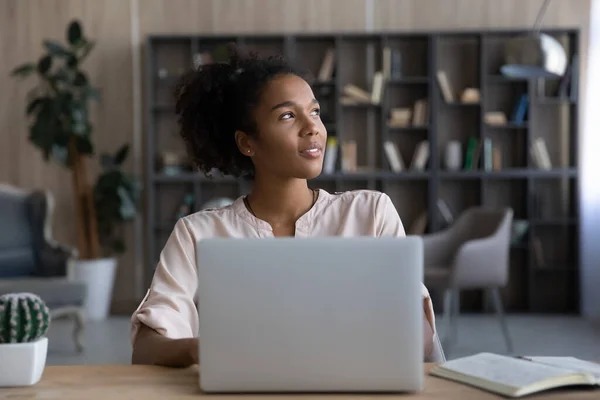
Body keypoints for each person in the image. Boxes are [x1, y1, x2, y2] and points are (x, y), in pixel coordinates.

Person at [131, 45, 442, 367]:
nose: (312, 127)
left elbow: (420, 338)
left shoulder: (370, 213)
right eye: (288, 115)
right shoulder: (198, 234)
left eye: (315, 111)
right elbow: (146, 347)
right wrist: (200, 348)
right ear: (247, 142)